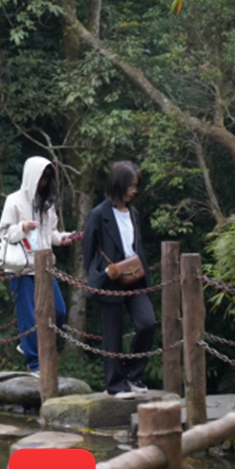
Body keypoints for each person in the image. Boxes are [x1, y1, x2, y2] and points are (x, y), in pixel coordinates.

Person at [83, 161, 157, 399]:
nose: (133, 191)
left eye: (136, 186)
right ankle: (115, 384)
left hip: (135, 277)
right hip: (110, 280)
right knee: (112, 334)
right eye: (130, 186)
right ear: (118, 184)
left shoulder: (134, 213)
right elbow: (89, 253)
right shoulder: (98, 214)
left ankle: (133, 374)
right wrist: (104, 273)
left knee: (147, 322)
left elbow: (137, 246)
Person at [0, 157, 77, 378]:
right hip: (21, 267)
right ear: (32, 176)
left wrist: (63, 238)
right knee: (28, 316)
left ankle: (30, 346)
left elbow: (51, 234)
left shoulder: (47, 204)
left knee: (59, 311)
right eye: (41, 178)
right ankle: (34, 363)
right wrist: (22, 227)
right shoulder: (13, 201)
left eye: (47, 179)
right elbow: (4, 233)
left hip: (45, 267)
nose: (43, 183)